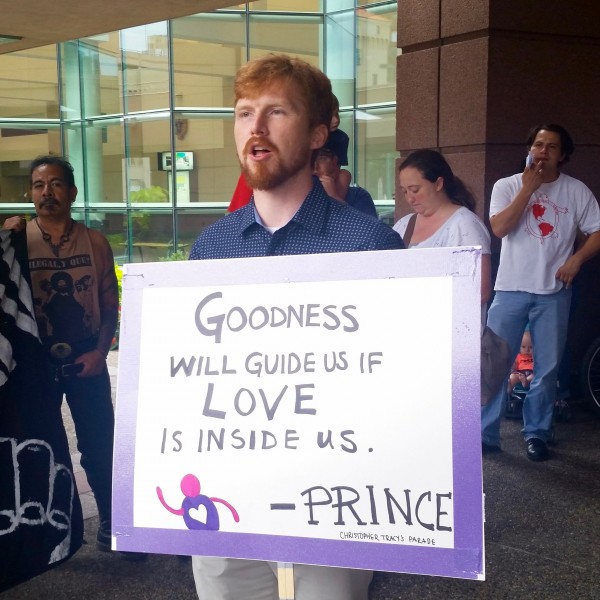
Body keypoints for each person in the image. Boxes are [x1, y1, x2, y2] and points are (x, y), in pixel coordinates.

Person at [189, 53, 404, 600]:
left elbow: (403, 378)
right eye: (243, 113)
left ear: (316, 134)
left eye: (275, 111)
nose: (255, 128)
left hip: (334, 497)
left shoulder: (369, 244)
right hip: (226, 496)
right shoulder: (209, 249)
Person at [2, 156, 120, 554]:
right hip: (35, 364)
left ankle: (112, 520)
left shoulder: (96, 242)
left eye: (55, 184)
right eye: (38, 185)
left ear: (72, 192)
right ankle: (49, 531)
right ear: (30, 193)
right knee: (38, 445)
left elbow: (108, 304)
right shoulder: (14, 242)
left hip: (86, 359)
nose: (46, 192)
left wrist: (101, 352)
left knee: (100, 444)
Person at [481, 124, 600, 461]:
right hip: (509, 290)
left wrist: (577, 259)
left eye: (551, 146)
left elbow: (597, 231)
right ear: (529, 149)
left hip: (554, 292)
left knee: (546, 368)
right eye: (537, 144)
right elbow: (500, 228)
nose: (542, 151)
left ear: (563, 155)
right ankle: (486, 434)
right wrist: (527, 190)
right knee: (494, 365)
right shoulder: (507, 186)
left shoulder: (576, 191)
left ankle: (537, 433)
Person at [393, 149, 492, 311]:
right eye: (405, 191)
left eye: (415, 190)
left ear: (438, 183)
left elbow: (480, 291)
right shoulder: (403, 225)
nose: (410, 198)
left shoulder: (464, 225)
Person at [314, 146, 378, 218]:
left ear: (335, 161)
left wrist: (335, 198)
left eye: (321, 158)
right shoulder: (302, 192)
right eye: (309, 159)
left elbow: (370, 228)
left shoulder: (356, 195)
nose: (315, 166)